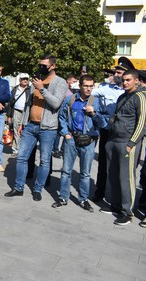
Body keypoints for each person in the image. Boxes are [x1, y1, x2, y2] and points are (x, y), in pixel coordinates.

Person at [4, 54, 67, 201]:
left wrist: (42, 89)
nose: (41, 68)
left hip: (48, 128)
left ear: (53, 66)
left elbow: (56, 103)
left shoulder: (60, 82)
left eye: (44, 65)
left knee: (44, 160)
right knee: (21, 157)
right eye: (40, 65)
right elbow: (28, 104)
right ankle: (18, 187)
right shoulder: (36, 81)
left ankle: (38, 189)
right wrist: (23, 123)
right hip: (30, 126)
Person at [99, 70, 146, 226]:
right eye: (124, 80)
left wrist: (131, 143)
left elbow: (142, 123)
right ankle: (116, 205)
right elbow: (115, 117)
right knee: (113, 175)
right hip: (113, 141)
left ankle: (128, 212)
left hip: (127, 143)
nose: (125, 83)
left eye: (128, 80)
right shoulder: (121, 96)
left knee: (126, 178)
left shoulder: (140, 97)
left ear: (136, 81)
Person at [54, 75, 106, 211]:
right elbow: (62, 116)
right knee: (66, 171)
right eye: (86, 86)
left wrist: (94, 113)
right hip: (71, 139)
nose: (89, 89)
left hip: (88, 141)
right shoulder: (70, 99)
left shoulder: (96, 101)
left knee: (85, 173)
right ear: (80, 86)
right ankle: (63, 197)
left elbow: (103, 123)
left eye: (91, 86)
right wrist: (65, 133)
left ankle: (83, 199)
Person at [90, 58, 128, 204]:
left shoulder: (129, 91)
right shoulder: (106, 88)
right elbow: (92, 94)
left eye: (119, 72)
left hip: (123, 132)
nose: (116, 75)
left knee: (119, 166)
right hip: (107, 130)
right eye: (116, 72)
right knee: (103, 164)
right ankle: (99, 192)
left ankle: (116, 198)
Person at [7, 73, 33, 157]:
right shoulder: (15, 89)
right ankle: (17, 149)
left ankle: (24, 149)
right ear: (20, 80)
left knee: (26, 131)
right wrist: (9, 116)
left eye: (26, 79)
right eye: (23, 79)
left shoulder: (30, 89)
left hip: (27, 113)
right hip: (16, 111)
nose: (25, 80)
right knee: (16, 129)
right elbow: (11, 103)